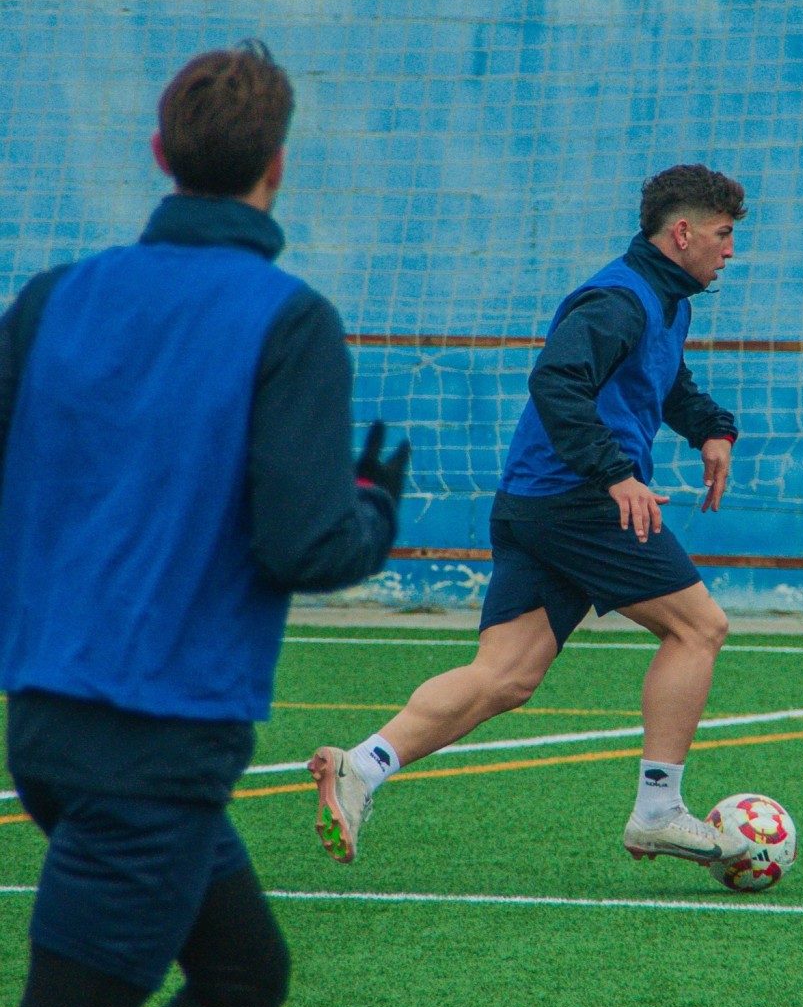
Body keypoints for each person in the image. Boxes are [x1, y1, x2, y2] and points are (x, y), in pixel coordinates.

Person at [0, 41, 408, 1007]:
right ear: (277, 169)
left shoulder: (52, 298)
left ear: (158, 155)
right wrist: (374, 513)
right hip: (160, 742)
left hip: (49, 724)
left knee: (242, 976)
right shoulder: (290, 321)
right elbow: (305, 545)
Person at [309, 162, 752, 869]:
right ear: (682, 233)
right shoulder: (618, 300)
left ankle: (362, 764)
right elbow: (556, 380)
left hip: (536, 502)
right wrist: (615, 475)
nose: (731, 250)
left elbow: (662, 381)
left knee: (505, 676)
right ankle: (659, 808)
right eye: (724, 235)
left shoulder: (666, 302)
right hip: (578, 500)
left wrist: (711, 428)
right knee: (700, 627)